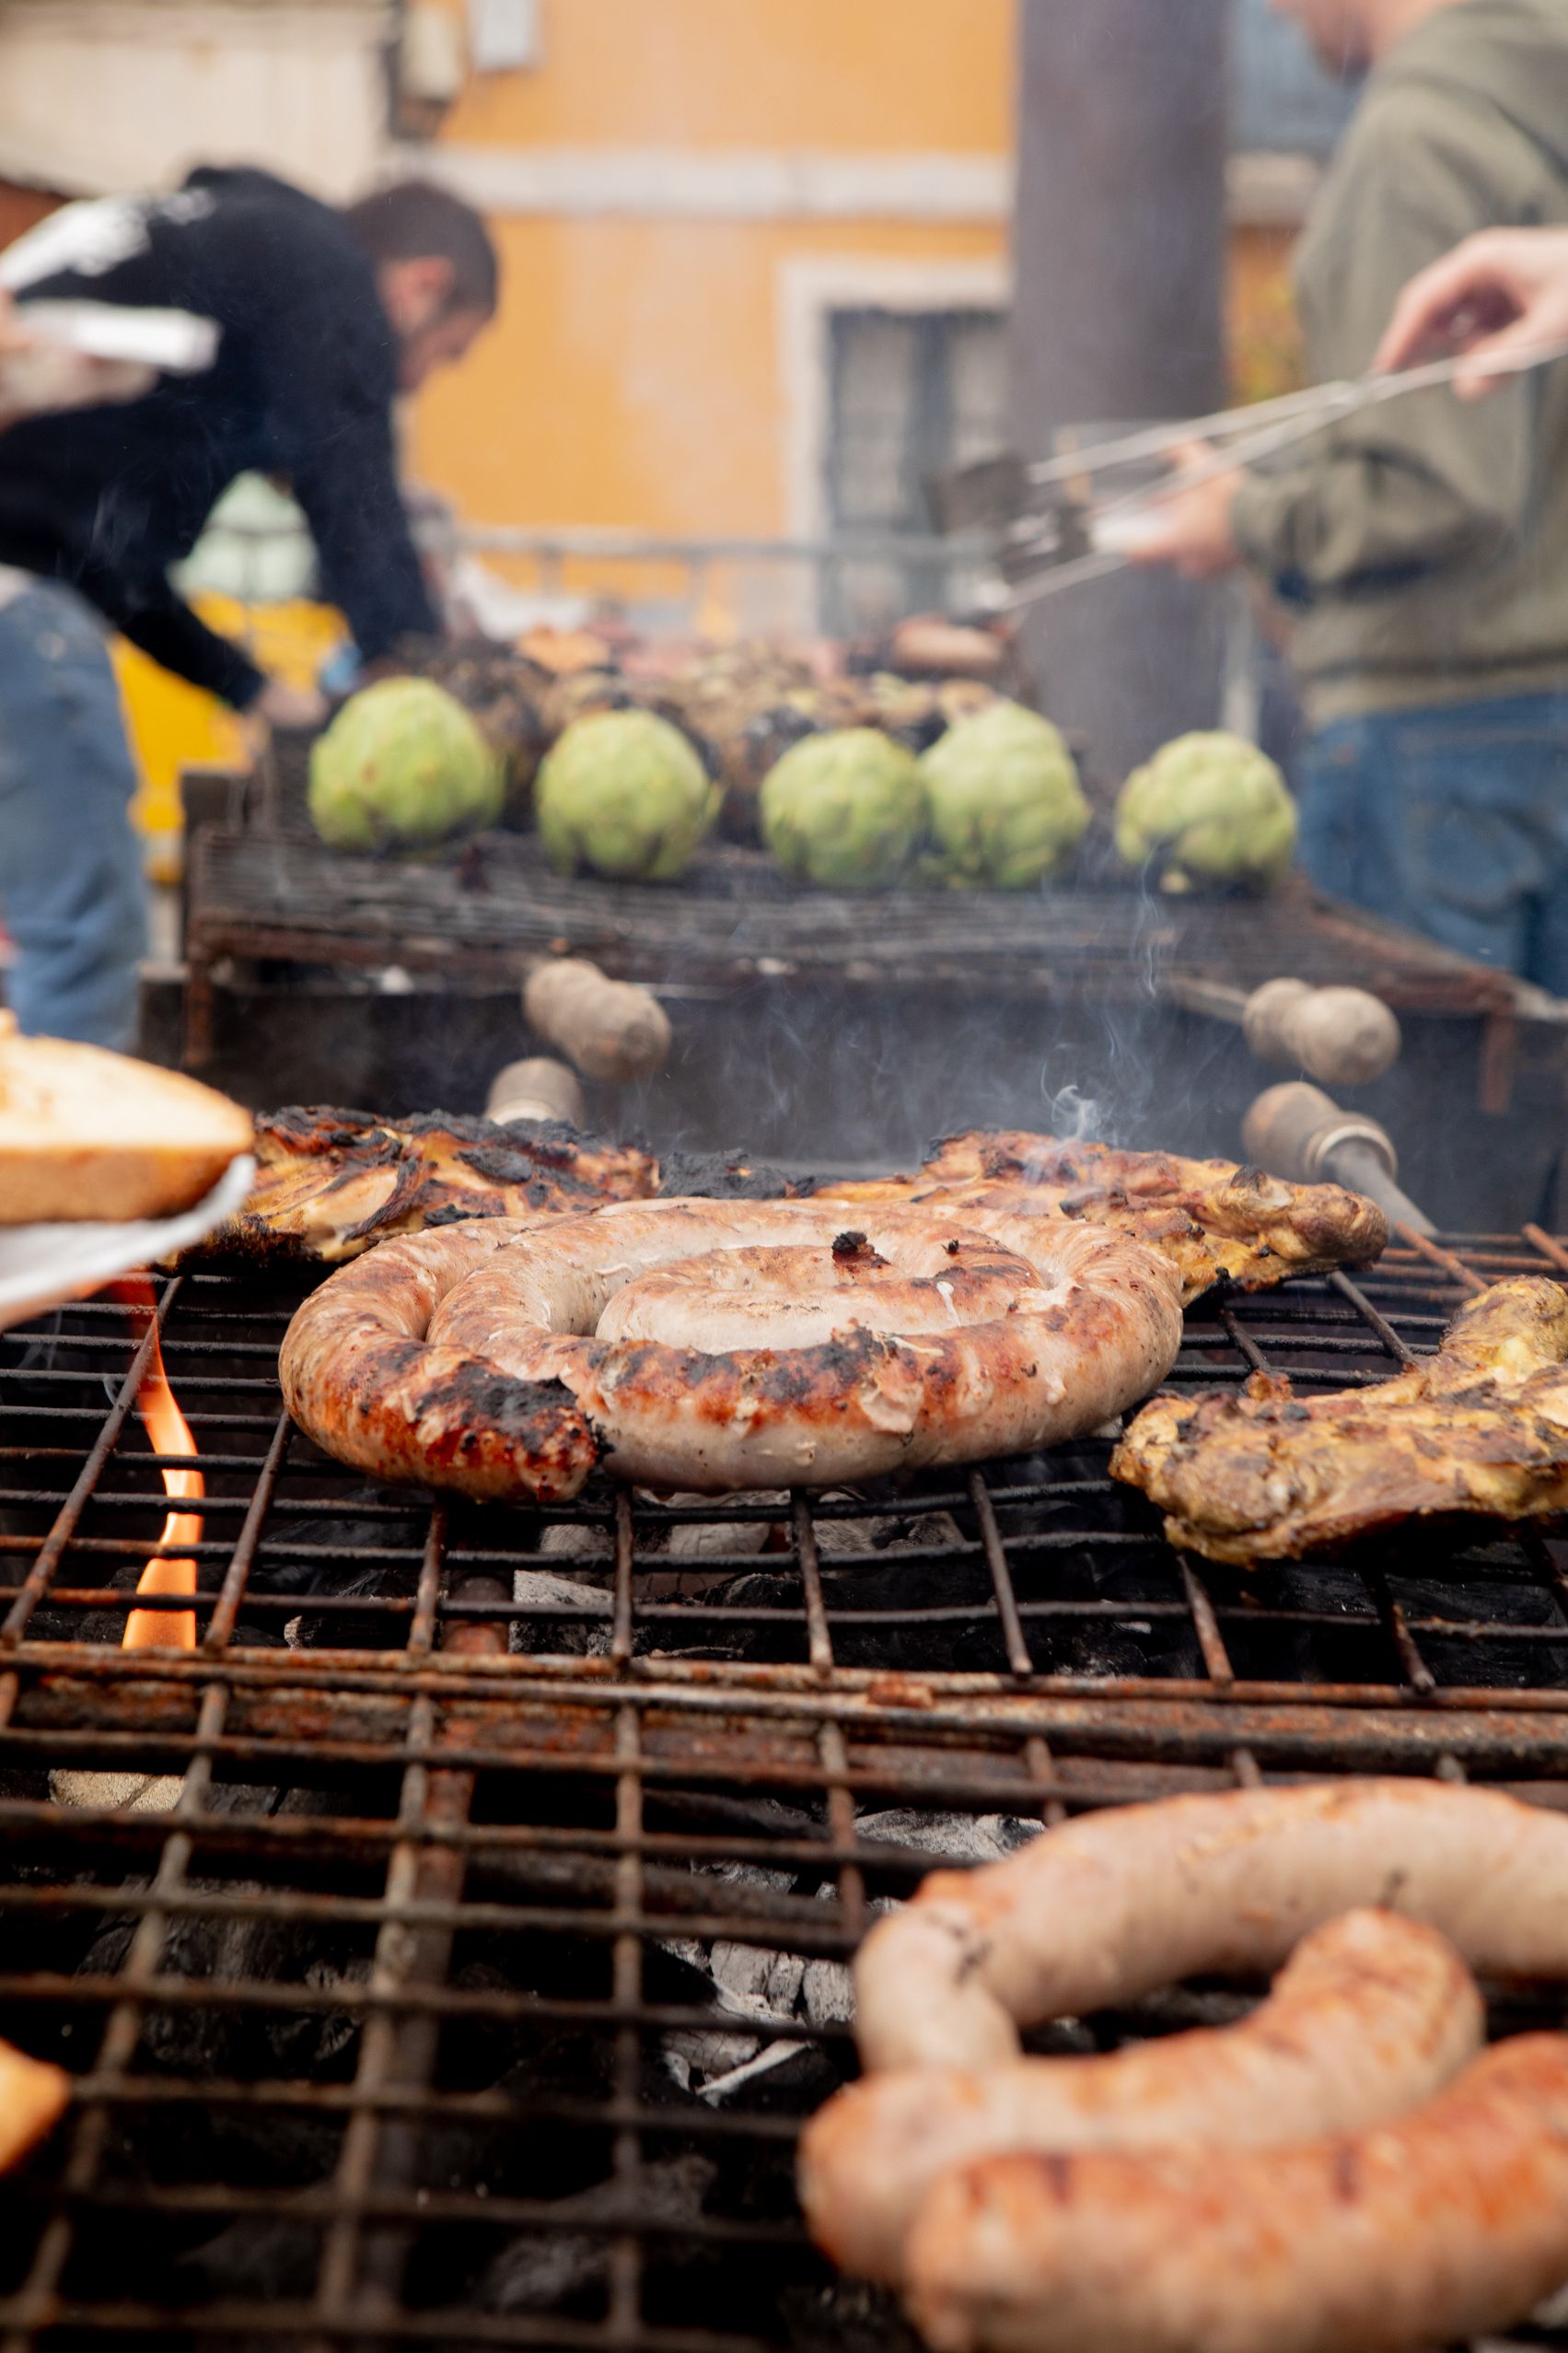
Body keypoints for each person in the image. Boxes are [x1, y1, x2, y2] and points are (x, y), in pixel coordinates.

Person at [0, 169, 497, 1050]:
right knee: (83, 939)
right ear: (420, 287)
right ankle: (62, 1181)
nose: (417, 380)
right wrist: (427, 674)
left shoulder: (218, 251)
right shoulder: (321, 268)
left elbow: (112, 570)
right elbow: (353, 494)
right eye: (446, 352)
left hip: (29, 586)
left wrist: (263, 693)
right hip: (15, 604)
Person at [1132, 0, 1568, 992]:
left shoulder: (1410, 141)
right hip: (1536, 726)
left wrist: (1238, 516)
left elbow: (1440, 489)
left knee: (1410, 1135)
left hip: (1430, 743)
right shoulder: (1529, 110)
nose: (1278, 15)